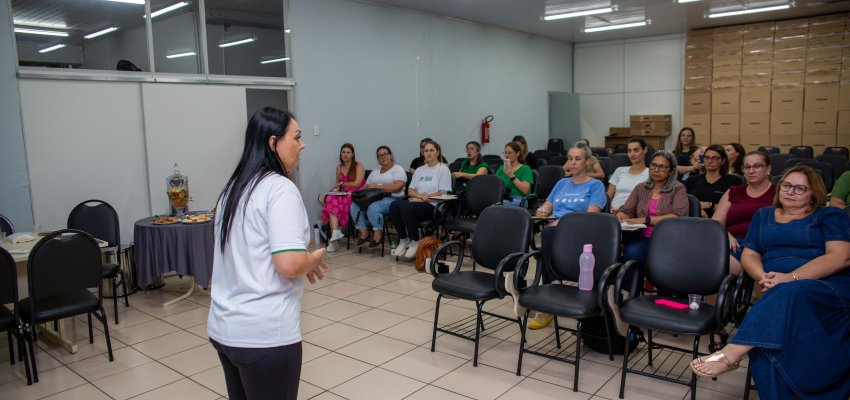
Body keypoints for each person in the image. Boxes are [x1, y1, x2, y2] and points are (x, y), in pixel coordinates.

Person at [690, 165, 850, 400]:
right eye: (786, 185)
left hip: (823, 288)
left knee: (789, 291)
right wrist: (761, 276)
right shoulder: (763, 215)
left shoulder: (830, 216)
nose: (790, 191)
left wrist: (790, 277)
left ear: (814, 194)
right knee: (765, 351)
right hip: (775, 288)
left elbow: (840, 257)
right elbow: (750, 254)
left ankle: (733, 351)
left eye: (799, 188)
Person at [208, 108, 328, 400]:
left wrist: (299, 260)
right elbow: (289, 264)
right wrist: (311, 259)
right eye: (296, 137)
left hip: (225, 328)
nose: (302, 145)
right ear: (273, 143)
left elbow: (253, 251)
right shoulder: (280, 189)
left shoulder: (233, 188)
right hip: (264, 334)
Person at [528, 141, 607, 329]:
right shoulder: (562, 183)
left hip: (581, 233)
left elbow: (590, 217)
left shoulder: (595, 186)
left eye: (577, 159)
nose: (573, 162)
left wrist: (562, 223)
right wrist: (542, 212)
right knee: (547, 236)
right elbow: (547, 206)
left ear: (587, 161)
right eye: (570, 158)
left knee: (548, 234)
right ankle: (552, 291)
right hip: (556, 232)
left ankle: (552, 292)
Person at [616, 150, 689, 276]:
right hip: (642, 236)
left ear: (671, 170)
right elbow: (627, 209)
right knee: (632, 249)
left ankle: (656, 285)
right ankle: (634, 287)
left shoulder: (678, 188)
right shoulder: (641, 187)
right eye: (653, 165)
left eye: (662, 167)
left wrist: (646, 219)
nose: (656, 170)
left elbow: (678, 216)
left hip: (668, 238)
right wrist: (621, 215)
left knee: (636, 250)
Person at [711, 151, 775, 275]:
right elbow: (716, 222)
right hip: (733, 244)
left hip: (762, 246)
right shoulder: (734, 192)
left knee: (718, 268)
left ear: (768, 168)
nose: (751, 171)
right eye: (747, 167)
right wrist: (726, 236)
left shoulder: (779, 193)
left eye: (757, 166)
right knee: (707, 263)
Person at [390, 140, 452, 259]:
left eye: (431, 150)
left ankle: (415, 240)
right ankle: (404, 239)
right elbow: (410, 190)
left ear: (437, 152)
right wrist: (421, 197)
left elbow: (443, 192)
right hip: (419, 203)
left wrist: (422, 199)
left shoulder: (443, 169)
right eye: (426, 151)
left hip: (435, 207)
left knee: (405, 206)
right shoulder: (420, 170)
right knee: (394, 205)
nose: (428, 153)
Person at [350, 146, 407, 249]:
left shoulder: (398, 169)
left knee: (373, 208)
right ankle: (364, 232)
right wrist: (366, 189)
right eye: (380, 156)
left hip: (393, 199)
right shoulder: (375, 171)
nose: (383, 157)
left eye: (385, 154)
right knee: (354, 206)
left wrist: (378, 187)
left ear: (390, 155)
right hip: (373, 198)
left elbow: (398, 187)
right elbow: (367, 186)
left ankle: (378, 235)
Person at [321, 143, 365, 252]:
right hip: (343, 192)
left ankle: (334, 241)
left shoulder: (358, 166)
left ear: (352, 154)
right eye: (343, 152)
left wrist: (342, 184)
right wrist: (336, 188)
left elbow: (356, 184)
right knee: (330, 198)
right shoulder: (339, 167)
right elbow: (338, 183)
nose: (345, 154)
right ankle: (335, 235)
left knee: (338, 201)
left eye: (348, 152)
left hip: (356, 193)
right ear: (340, 154)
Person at [685, 144, 743, 218]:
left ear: (723, 161)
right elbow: (682, 203)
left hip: (721, 221)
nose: (709, 161)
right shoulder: (691, 180)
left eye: (714, 158)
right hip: (694, 220)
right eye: (706, 157)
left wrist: (710, 205)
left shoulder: (734, 181)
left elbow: (737, 207)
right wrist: (698, 208)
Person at [607, 137, 649, 212]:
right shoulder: (620, 170)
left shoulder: (650, 174)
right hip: (613, 213)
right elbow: (608, 197)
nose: (632, 154)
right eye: (629, 151)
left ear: (645, 150)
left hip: (634, 214)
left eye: (636, 150)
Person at [496, 141, 534, 207]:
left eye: (510, 153)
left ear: (517, 154)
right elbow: (495, 184)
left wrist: (512, 176)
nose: (507, 155)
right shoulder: (502, 168)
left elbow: (525, 190)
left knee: (500, 205)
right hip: (503, 197)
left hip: (520, 199)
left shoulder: (525, 168)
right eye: (505, 153)